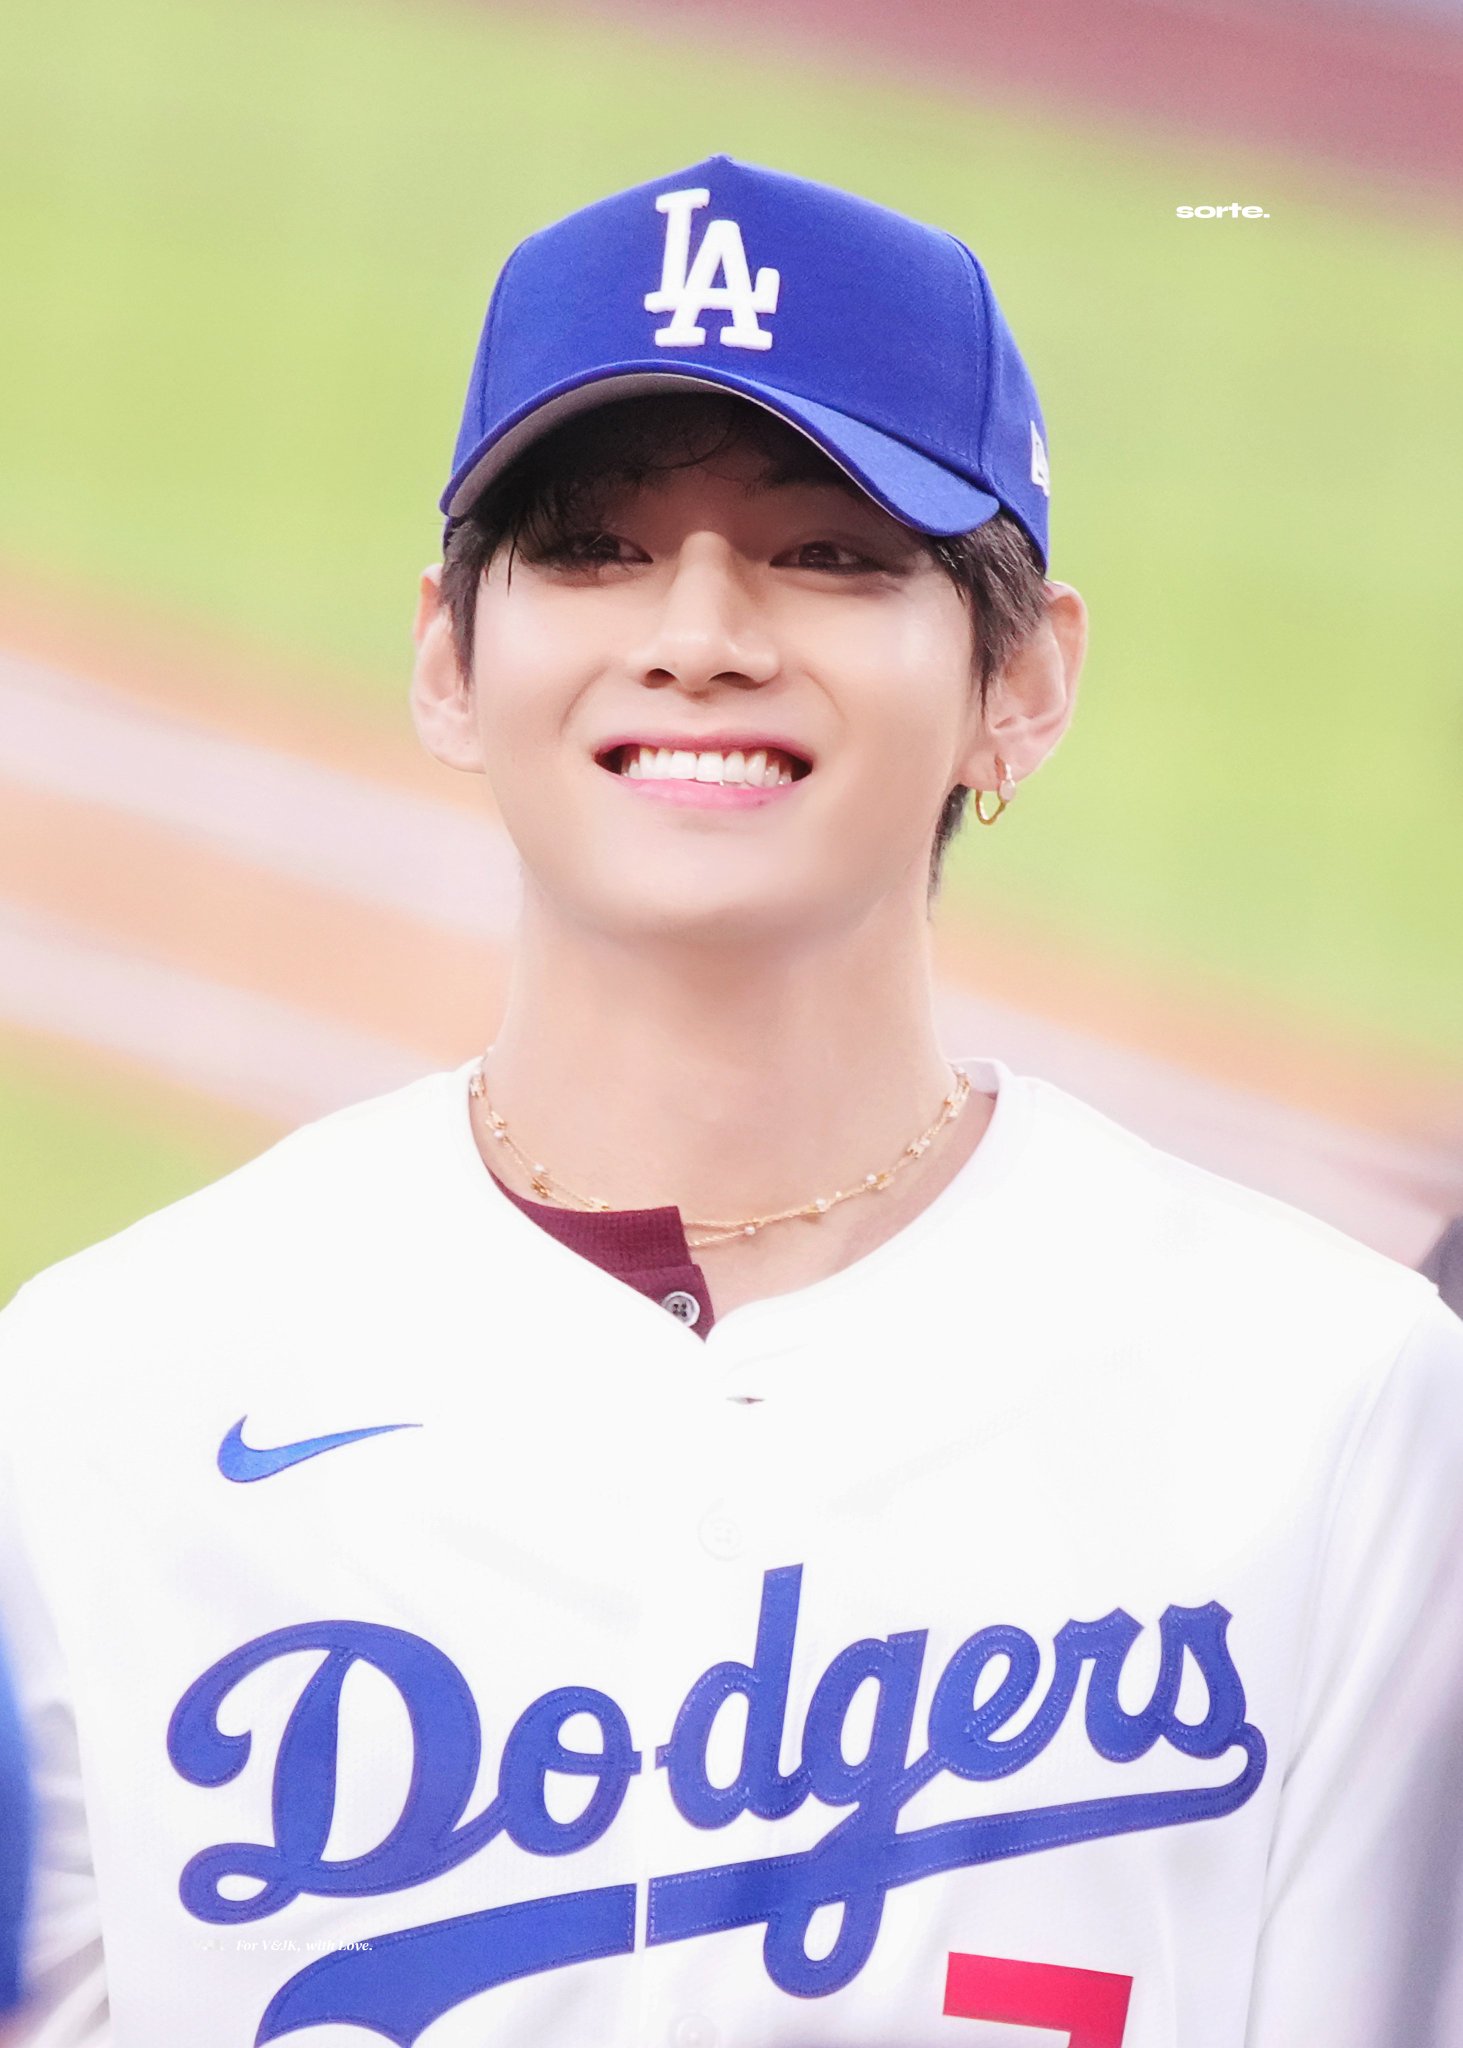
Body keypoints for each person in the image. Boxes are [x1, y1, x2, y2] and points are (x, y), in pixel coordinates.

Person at [0, 155, 1461, 2048]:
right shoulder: (102, 1395)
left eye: (831, 553)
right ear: (447, 657)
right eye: (589, 548)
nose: (697, 631)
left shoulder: (1331, 1407)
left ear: (1024, 678)